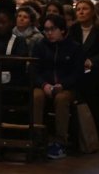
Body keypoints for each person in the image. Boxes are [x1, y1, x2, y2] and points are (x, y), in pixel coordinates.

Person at [32, 13, 84, 160]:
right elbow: (34, 70)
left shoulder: (74, 48)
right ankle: (36, 137)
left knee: (61, 99)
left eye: (52, 29)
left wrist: (63, 85)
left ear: (62, 30)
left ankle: (61, 142)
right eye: (46, 30)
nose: (49, 33)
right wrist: (44, 84)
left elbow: (78, 73)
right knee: (36, 96)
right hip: (45, 84)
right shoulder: (40, 46)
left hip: (67, 87)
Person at [71, 0, 99, 128]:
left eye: (85, 9)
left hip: (96, 72)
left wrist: (93, 61)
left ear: (92, 12)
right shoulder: (73, 30)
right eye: (78, 9)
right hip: (76, 71)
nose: (81, 12)